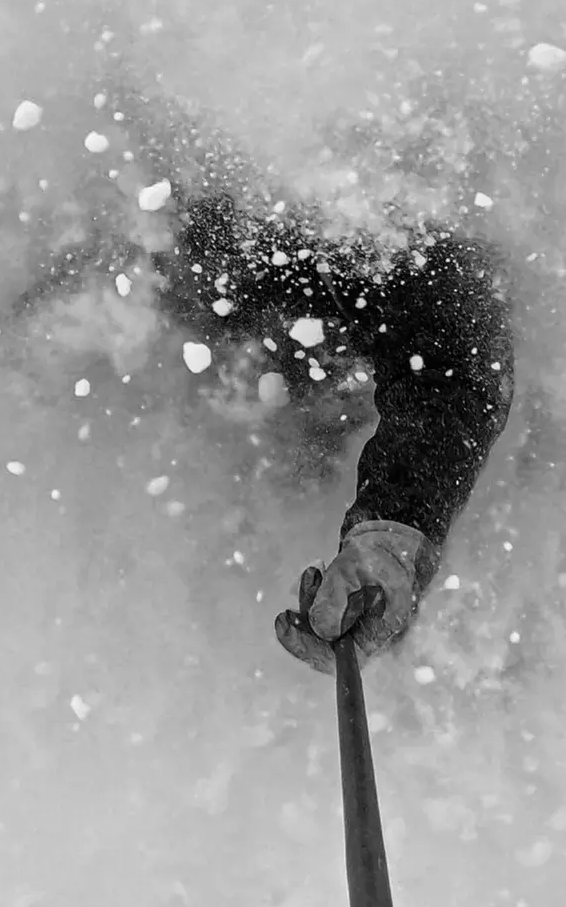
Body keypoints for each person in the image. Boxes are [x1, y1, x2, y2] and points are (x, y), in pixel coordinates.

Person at [152, 168, 515, 676]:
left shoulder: (366, 196)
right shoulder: (166, 185)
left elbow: (456, 355)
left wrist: (395, 528)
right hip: (273, 402)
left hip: (358, 389)